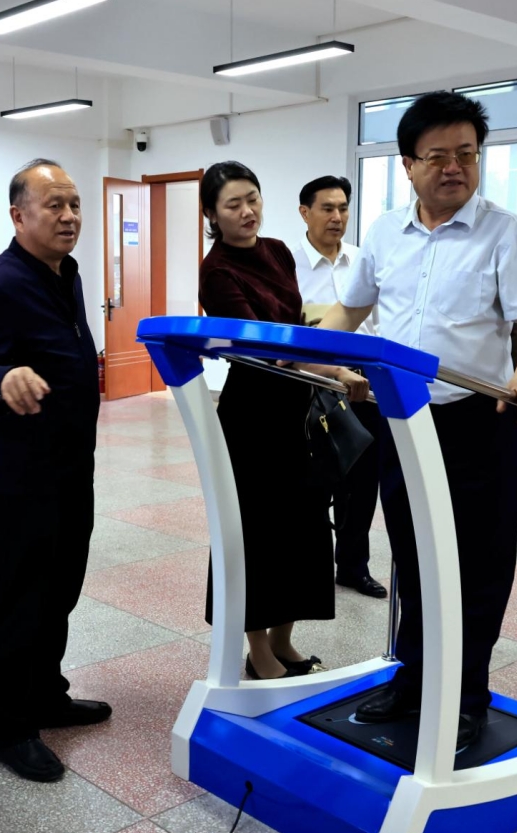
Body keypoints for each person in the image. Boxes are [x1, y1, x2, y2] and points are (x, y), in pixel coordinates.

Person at [318, 91, 517, 749]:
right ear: (407, 164)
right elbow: (351, 310)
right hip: (402, 419)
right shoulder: (384, 234)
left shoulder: (505, 232)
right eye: (438, 156)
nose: (454, 168)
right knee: (413, 553)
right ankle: (414, 676)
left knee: (477, 563)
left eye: (466, 155)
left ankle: (466, 693)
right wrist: (319, 354)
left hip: (476, 419)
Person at [0, 159, 108, 782]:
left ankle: (47, 695)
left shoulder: (66, 272)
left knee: (60, 591)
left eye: (75, 204)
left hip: (71, 468)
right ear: (19, 216)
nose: (70, 217)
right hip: (20, 479)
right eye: (55, 205)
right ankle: (12, 730)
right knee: (18, 602)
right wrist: (3, 377)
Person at [198, 161, 369, 682]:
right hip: (253, 416)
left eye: (252, 198)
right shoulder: (216, 271)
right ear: (211, 215)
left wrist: (330, 368)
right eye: (233, 204)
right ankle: (258, 650)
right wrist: (334, 370)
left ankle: (284, 640)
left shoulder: (276, 251)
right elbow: (269, 348)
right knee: (257, 533)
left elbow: (295, 326)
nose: (247, 211)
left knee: (304, 526)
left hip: (298, 407)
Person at [291, 175, 386, 600]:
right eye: (327, 208)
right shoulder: (288, 264)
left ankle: (352, 566)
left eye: (343, 208)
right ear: (305, 213)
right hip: (310, 381)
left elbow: (378, 323)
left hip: (363, 382)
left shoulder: (362, 260)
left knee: (363, 479)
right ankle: (308, 566)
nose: (337, 217)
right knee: (316, 477)